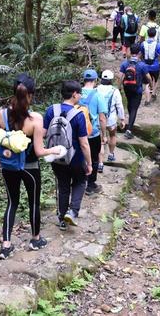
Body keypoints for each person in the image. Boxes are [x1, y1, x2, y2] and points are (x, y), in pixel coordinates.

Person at [0, 74, 62, 260]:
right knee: (33, 202)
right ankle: (35, 239)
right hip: (30, 168)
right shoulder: (35, 119)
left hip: (9, 167)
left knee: (12, 202)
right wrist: (54, 149)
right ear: (30, 95)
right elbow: (39, 151)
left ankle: (6, 245)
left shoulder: (1, 114)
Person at [43, 81, 93, 229]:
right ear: (74, 94)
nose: (80, 96)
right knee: (80, 182)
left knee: (63, 186)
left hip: (56, 156)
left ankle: (62, 219)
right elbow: (84, 143)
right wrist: (89, 163)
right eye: (79, 93)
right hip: (75, 158)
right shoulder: (78, 114)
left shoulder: (51, 110)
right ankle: (72, 212)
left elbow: (44, 133)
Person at [80, 69, 108, 195]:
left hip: (77, 133)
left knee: (80, 157)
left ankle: (79, 182)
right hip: (92, 133)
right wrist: (104, 135)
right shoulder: (98, 95)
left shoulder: (76, 93)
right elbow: (102, 118)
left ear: (84, 80)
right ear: (96, 80)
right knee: (94, 159)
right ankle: (91, 185)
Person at [118, 44, 152, 139]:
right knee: (134, 108)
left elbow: (120, 76)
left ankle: (130, 124)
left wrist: (119, 87)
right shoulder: (142, 65)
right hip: (137, 89)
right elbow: (148, 77)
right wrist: (151, 85)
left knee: (130, 104)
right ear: (139, 53)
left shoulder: (125, 63)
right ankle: (129, 130)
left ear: (130, 52)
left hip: (127, 87)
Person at [96, 70, 125, 163]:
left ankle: (100, 163)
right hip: (111, 119)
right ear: (111, 80)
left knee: (100, 139)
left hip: (98, 119)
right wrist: (122, 119)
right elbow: (119, 106)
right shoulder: (114, 90)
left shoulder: (95, 89)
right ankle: (111, 154)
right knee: (112, 135)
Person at [139, 27, 160, 105]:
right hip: (155, 66)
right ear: (155, 35)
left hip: (145, 66)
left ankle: (147, 100)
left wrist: (141, 63)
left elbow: (140, 54)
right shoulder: (158, 45)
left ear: (147, 34)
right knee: (155, 80)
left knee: (147, 82)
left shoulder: (143, 44)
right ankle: (153, 93)